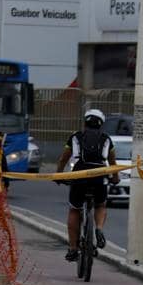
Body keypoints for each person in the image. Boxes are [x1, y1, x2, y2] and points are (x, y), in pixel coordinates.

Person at [57, 109, 113, 263]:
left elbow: (63, 158)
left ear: (84, 123)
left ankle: (73, 249)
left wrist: (58, 175)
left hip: (79, 175)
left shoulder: (75, 137)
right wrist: (115, 178)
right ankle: (99, 228)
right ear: (101, 124)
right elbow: (112, 162)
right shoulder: (106, 139)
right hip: (99, 175)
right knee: (101, 204)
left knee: (75, 209)